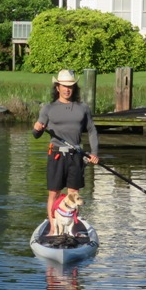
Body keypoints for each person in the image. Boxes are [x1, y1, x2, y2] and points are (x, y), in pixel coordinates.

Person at [32, 69, 100, 234]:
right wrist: (37, 129)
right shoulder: (48, 108)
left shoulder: (82, 108)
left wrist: (94, 152)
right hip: (56, 155)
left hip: (76, 155)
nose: (67, 89)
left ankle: (72, 228)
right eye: (64, 86)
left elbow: (92, 130)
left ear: (74, 88)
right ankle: (53, 228)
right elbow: (36, 134)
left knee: (74, 193)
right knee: (54, 193)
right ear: (57, 87)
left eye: (70, 86)